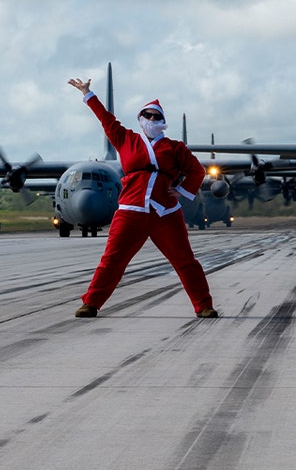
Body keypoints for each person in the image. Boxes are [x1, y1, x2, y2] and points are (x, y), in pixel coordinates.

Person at [67, 76, 219, 319]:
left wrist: (180, 190)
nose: (151, 120)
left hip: (165, 213)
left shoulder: (175, 147)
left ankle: (204, 305)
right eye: (146, 115)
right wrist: (88, 94)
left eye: (156, 116)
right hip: (130, 211)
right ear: (140, 119)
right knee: (112, 260)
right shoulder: (126, 139)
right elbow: (107, 120)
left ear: (163, 122)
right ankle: (91, 303)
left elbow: (197, 171)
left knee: (185, 261)